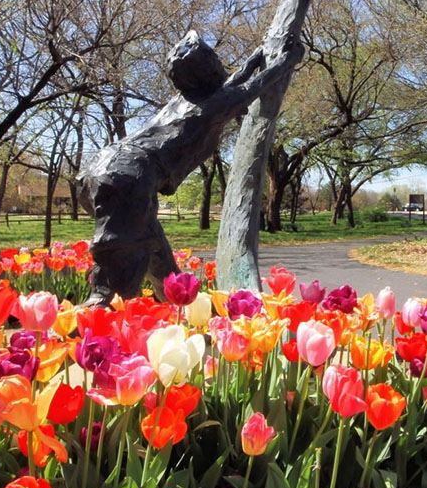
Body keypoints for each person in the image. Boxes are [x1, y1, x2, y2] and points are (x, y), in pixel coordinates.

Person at [79, 31, 303, 305]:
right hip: (129, 175)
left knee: (159, 260)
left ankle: (182, 313)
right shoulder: (209, 105)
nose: (218, 62)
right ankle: (96, 329)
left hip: (103, 166)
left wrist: (258, 56)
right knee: (117, 281)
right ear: (205, 68)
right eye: (212, 57)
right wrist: (287, 60)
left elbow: (229, 87)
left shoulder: (186, 100)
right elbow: (250, 89)